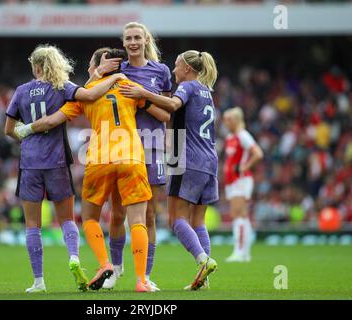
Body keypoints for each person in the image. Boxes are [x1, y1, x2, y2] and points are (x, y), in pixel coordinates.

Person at [15, 47, 171, 293]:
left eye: (91, 64)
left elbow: (52, 120)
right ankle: (141, 280)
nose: (88, 68)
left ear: (102, 65)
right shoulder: (130, 87)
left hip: (99, 159)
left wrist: (25, 129)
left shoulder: (86, 94)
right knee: (138, 221)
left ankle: (104, 264)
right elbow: (163, 114)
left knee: (89, 219)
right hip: (131, 156)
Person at [4, 44, 126, 293]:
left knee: (32, 225)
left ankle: (38, 282)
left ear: (36, 67)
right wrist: (113, 76)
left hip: (29, 163)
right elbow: (90, 94)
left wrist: (28, 135)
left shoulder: (21, 91)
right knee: (68, 219)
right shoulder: (62, 87)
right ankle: (74, 258)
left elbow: (9, 131)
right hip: (57, 161)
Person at [119, 49, 219, 290]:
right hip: (209, 159)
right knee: (198, 221)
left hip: (184, 156)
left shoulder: (188, 86)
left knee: (175, 219)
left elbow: (173, 105)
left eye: (176, 65)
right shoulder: (207, 92)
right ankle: (203, 278)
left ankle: (203, 260)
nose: (173, 70)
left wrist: (143, 93)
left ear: (187, 68)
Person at [90, 22, 172, 291]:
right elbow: (86, 94)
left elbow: (167, 113)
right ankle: (115, 269)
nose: (133, 42)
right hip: (120, 150)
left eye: (138, 37)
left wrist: (143, 95)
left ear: (146, 39)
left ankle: (145, 275)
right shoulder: (118, 69)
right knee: (116, 214)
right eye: (129, 38)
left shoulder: (160, 71)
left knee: (149, 215)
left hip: (151, 146)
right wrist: (98, 72)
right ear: (123, 43)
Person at [223, 107, 263, 262]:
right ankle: (245, 253)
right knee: (242, 215)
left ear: (237, 120)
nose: (226, 122)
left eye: (229, 119)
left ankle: (239, 251)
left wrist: (245, 167)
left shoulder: (243, 136)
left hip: (241, 180)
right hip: (233, 181)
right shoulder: (230, 137)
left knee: (237, 214)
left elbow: (258, 153)